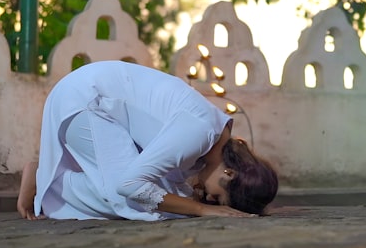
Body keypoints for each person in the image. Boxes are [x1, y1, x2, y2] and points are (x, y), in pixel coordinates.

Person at [16, 60, 278, 220]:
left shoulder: (213, 140)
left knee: (169, 202)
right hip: (86, 100)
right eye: (218, 198)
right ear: (230, 173)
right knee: (130, 201)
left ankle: (47, 177)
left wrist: (190, 203)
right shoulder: (200, 133)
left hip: (95, 100)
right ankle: (45, 182)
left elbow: (165, 183)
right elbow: (130, 185)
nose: (210, 198)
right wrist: (201, 211)